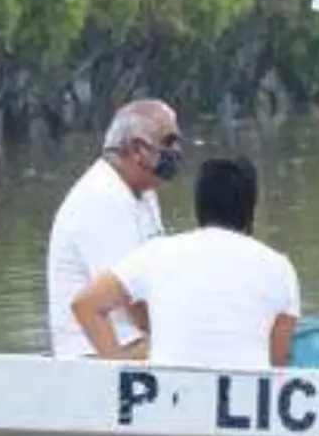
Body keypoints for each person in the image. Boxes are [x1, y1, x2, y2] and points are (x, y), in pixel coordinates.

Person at [71, 156, 301, 370]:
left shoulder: (157, 253)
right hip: (242, 404)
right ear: (251, 210)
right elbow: (278, 359)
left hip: (170, 402)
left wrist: (120, 375)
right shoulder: (279, 268)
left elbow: (85, 304)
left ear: (198, 207)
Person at [45, 99, 181, 358]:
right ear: (137, 149)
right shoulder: (101, 198)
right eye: (168, 141)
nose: (176, 151)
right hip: (96, 352)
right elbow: (133, 303)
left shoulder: (143, 192)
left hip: (137, 340)